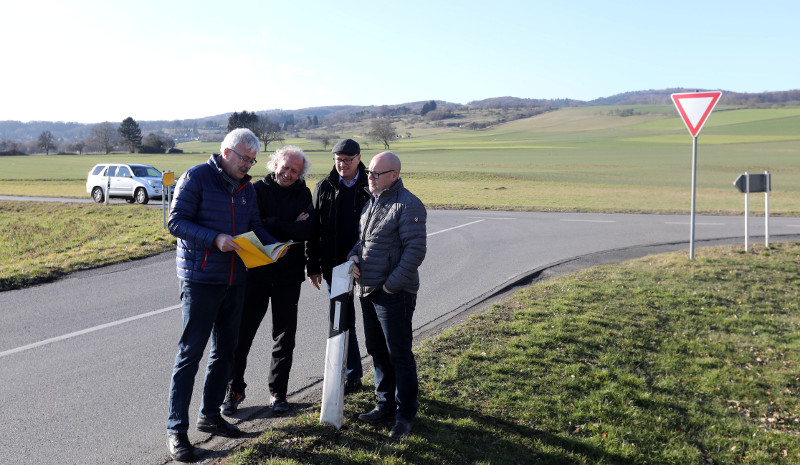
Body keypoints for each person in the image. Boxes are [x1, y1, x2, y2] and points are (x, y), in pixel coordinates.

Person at [165, 128, 282, 462]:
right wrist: (213, 238)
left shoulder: (246, 188)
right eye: (245, 158)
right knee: (190, 355)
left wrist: (272, 245)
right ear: (227, 152)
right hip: (200, 278)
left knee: (226, 352)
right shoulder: (197, 177)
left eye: (253, 160)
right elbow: (176, 222)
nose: (249, 165)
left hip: (236, 278)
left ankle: (211, 415)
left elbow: (254, 224)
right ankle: (176, 430)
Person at [221, 146, 315, 416]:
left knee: (285, 337)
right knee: (242, 335)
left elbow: (308, 229)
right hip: (256, 274)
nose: (288, 173)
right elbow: (250, 227)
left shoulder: (304, 193)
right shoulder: (255, 190)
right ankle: (234, 390)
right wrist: (287, 223)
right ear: (275, 164)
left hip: (289, 275)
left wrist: (274, 224)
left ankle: (278, 393)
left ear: (300, 174)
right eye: (284, 166)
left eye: (294, 170)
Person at [347, 151, 427, 439]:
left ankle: (405, 415)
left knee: (398, 355)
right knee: (377, 352)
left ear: (394, 175)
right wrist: (354, 257)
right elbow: (364, 241)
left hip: (394, 294)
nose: (370, 176)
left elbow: (415, 252)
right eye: (369, 171)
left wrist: (391, 286)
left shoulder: (408, 204)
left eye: (376, 173)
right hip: (368, 291)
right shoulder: (373, 202)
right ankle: (385, 405)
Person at [306, 138, 372, 393]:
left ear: (358, 158)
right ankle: (352, 375)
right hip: (335, 266)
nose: (342, 165)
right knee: (342, 321)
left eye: (348, 160)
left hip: (369, 264)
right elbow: (314, 230)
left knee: (375, 321)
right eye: (338, 160)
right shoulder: (324, 186)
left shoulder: (371, 184)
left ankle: (385, 377)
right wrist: (313, 266)